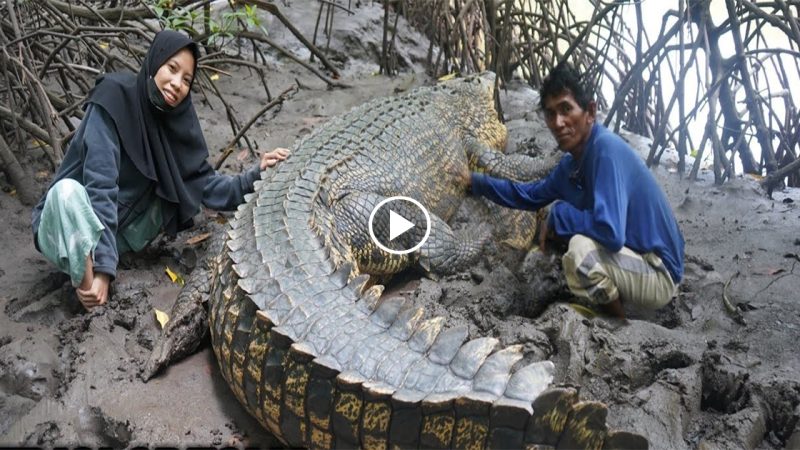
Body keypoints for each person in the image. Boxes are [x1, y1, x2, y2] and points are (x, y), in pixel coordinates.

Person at [31, 30, 289, 310]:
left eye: (187, 80)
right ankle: (89, 290)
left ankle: (98, 271)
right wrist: (104, 269)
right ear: (155, 63)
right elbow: (100, 186)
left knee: (167, 188)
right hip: (67, 228)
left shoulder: (176, 121)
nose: (177, 84)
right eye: (172, 69)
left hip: (119, 237)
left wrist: (256, 174)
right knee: (67, 193)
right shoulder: (114, 98)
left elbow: (206, 185)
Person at [464, 64, 684, 319]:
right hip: (636, 254)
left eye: (566, 109)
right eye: (550, 114)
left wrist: (559, 214)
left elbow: (611, 234)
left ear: (590, 111)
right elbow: (528, 195)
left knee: (580, 250)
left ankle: (619, 324)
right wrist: (475, 181)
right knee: (571, 231)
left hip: (660, 271)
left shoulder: (605, 150)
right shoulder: (571, 165)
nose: (558, 122)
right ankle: (613, 293)